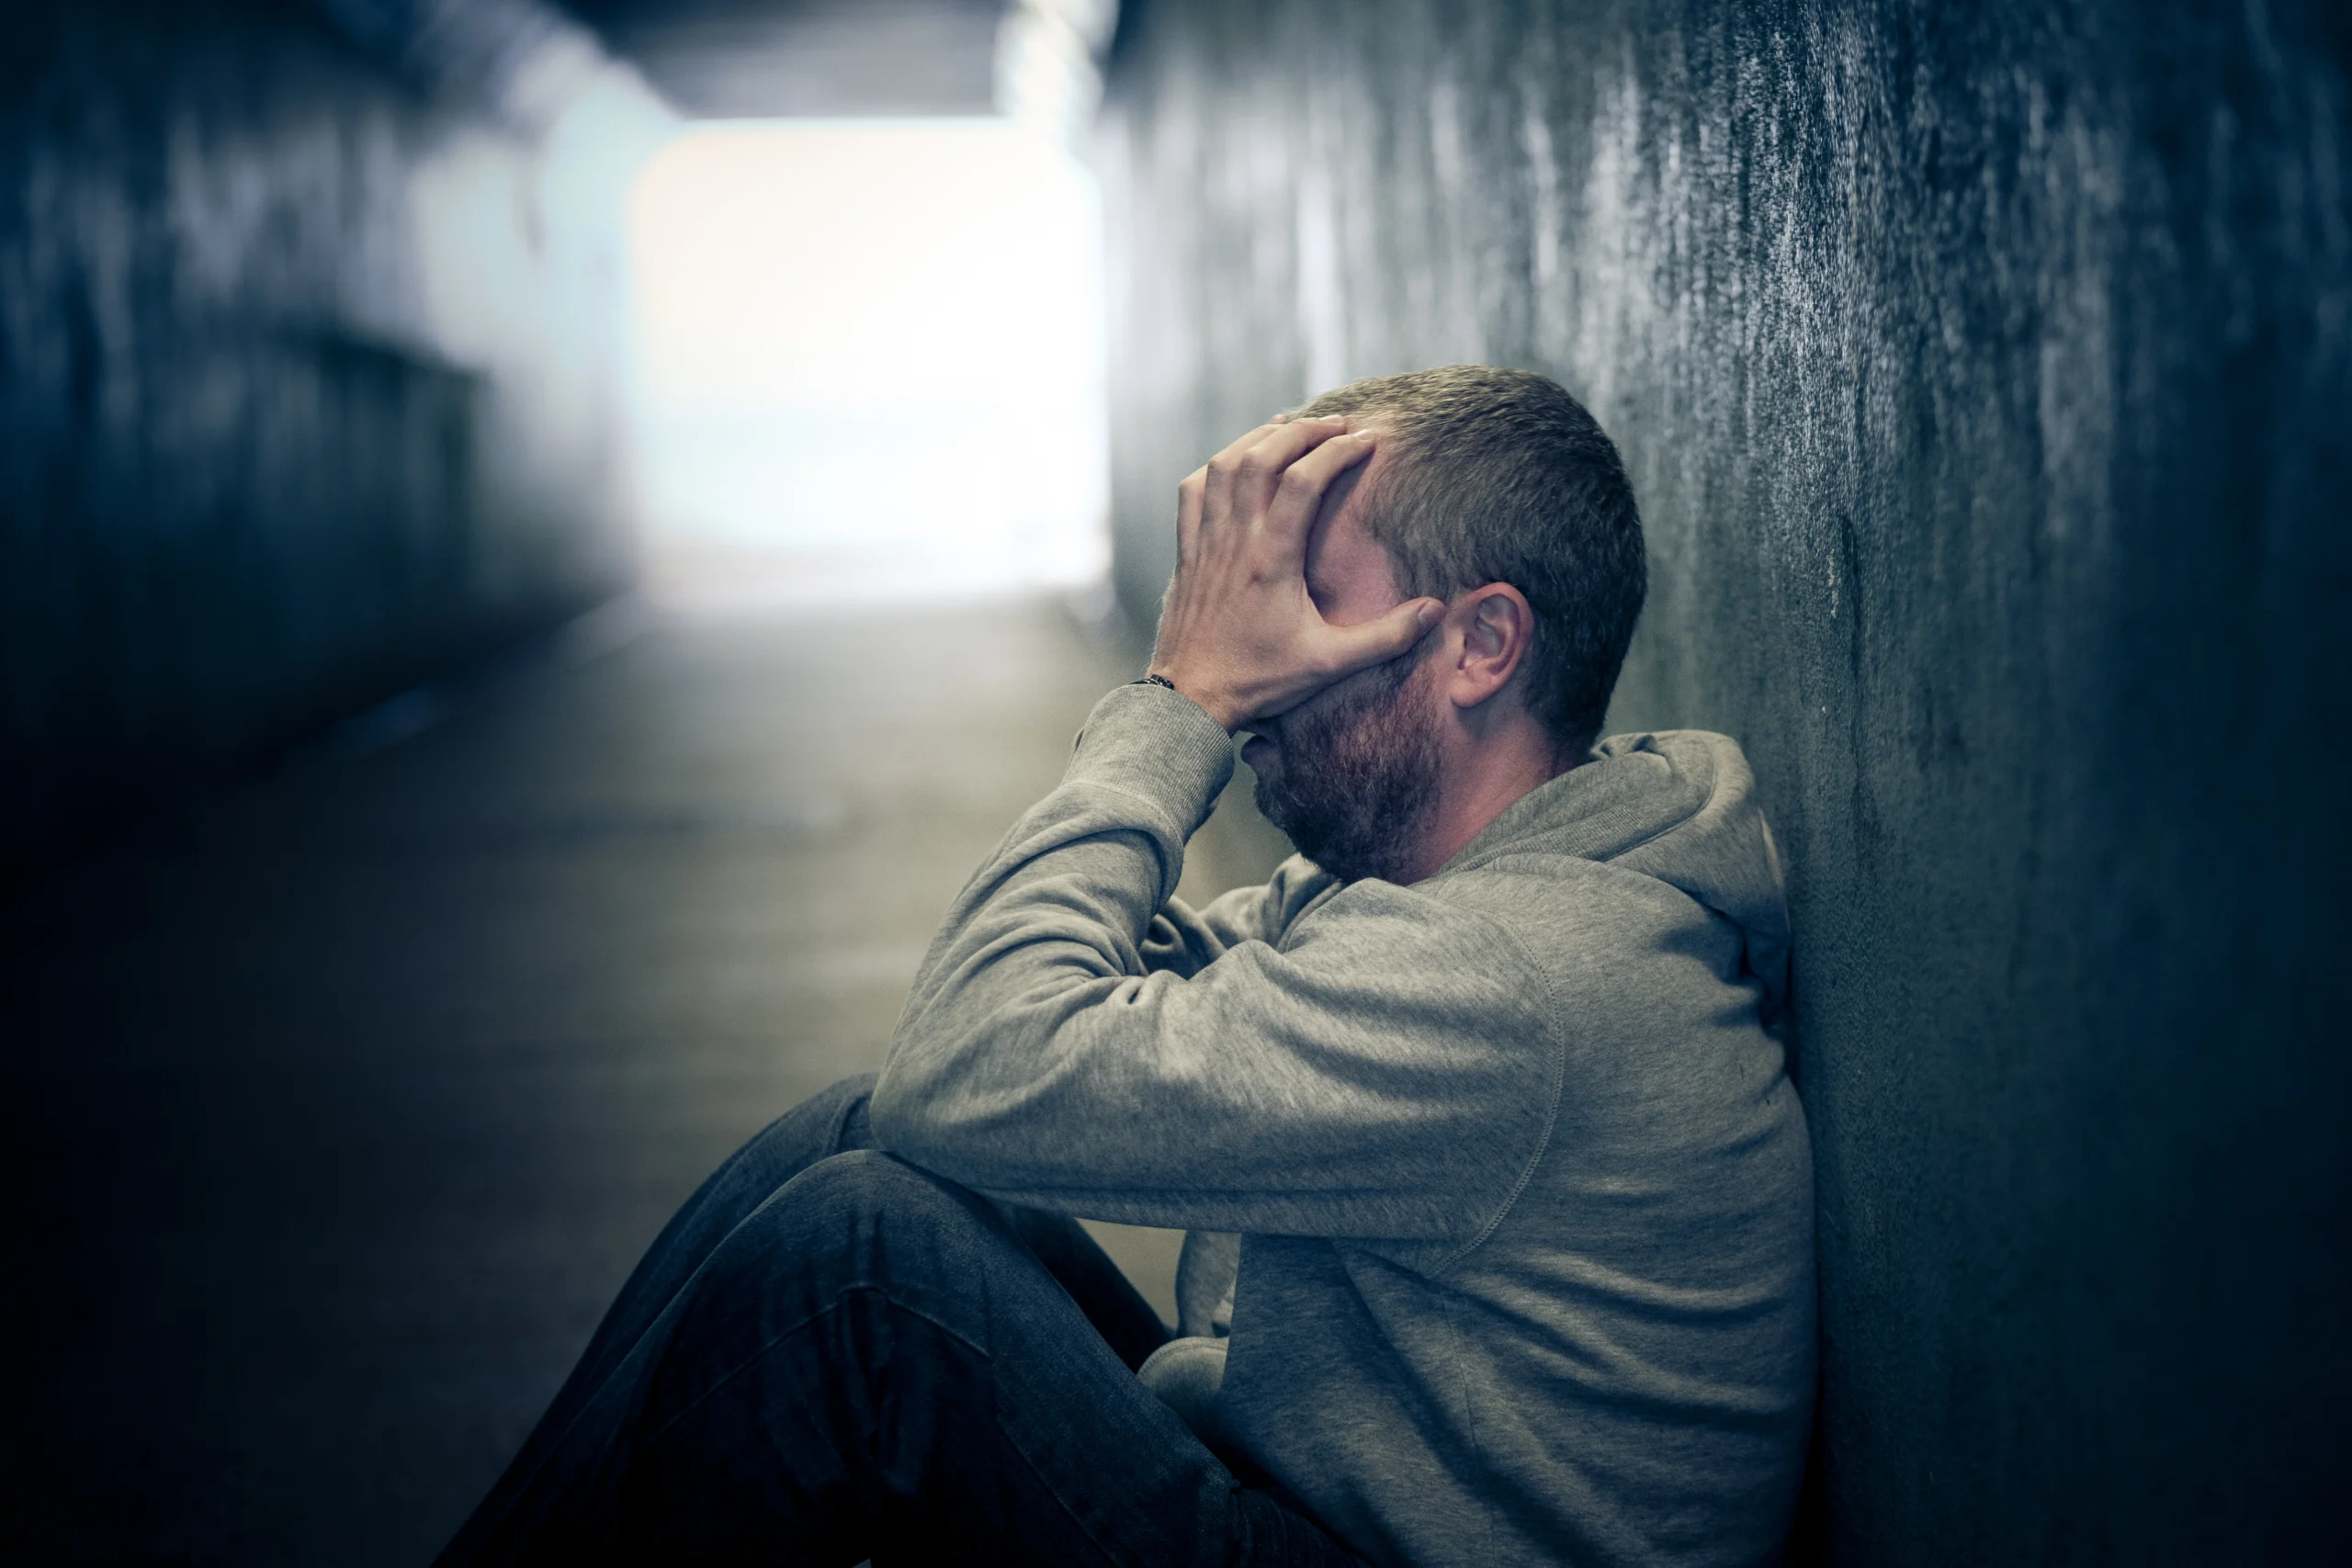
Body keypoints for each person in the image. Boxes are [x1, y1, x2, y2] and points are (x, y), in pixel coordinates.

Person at [435, 366, 1815, 1568]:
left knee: (864, 1265)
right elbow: (1036, 998)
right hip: (1336, 1501)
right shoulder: (1469, 883)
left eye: (1299, 605)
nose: (1259, 654)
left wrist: (1183, 705)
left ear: (1480, 644)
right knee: (861, 1139)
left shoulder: (1506, 976)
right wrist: (1176, 724)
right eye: (1244, 611)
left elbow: (978, 1058)